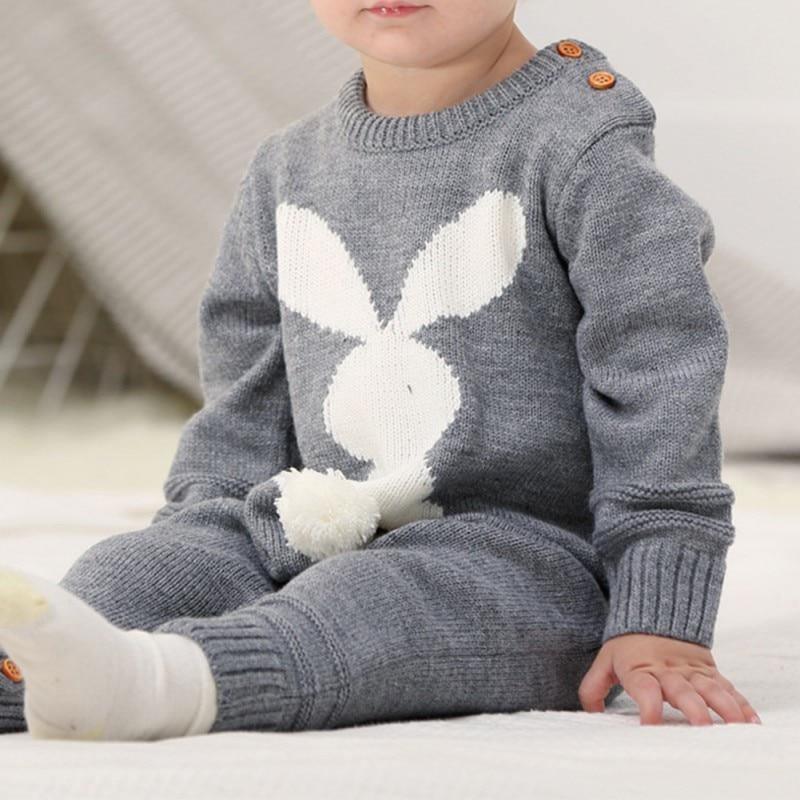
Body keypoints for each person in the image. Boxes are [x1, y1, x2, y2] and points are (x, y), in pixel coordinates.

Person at [0, 0, 761, 740]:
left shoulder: (581, 141)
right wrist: (202, 538)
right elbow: (244, 403)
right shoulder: (286, 167)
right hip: (318, 521)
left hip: (521, 562)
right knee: (127, 573)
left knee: (362, 605)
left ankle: (167, 682)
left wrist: (658, 610)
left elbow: (660, 375)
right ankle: (28, 675)